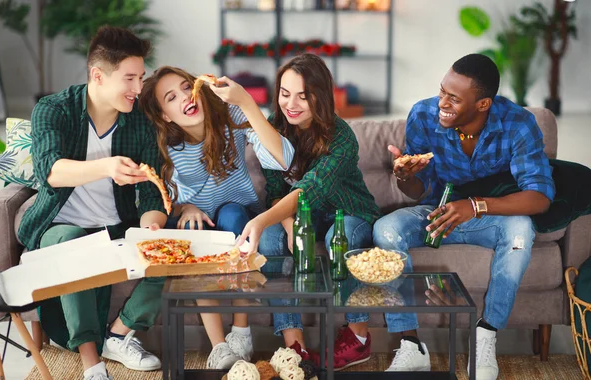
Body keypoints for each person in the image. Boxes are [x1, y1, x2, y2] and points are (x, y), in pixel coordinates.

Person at [372, 53, 555, 379]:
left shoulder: (518, 124)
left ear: (483, 104)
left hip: (488, 218)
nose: (442, 102)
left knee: (520, 230)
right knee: (385, 229)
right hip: (435, 213)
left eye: (453, 98)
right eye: (442, 91)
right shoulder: (423, 115)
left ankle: (485, 334)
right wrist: (405, 177)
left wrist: (475, 206)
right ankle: (411, 346)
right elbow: (418, 190)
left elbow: (539, 197)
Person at [17, 26, 167, 380]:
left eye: (141, 78)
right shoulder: (53, 110)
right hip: (58, 228)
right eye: (129, 78)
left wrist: (151, 226)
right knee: (75, 243)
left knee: (166, 248)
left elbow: (149, 193)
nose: (138, 89)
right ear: (97, 75)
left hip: (115, 227)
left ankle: (119, 334)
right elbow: (51, 171)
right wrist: (107, 166)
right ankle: (92, 365)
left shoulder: (140, 124)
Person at [138, 66, 294, 369]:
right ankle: (219, 346)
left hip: (236, 214)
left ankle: (241, 329)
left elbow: (284, 158)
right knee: (193, 232)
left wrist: (246, 102)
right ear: (166, 115)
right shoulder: (167, 147)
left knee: (234, 214)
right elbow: (167, 198)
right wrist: (186, 209)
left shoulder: (230, 117)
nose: (185, 97)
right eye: (172, 97)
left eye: (187, 87)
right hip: (197, 223)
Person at [235, 53, 380, 370]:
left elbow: (309, 189)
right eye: (285, 94)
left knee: (338, 240)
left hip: (347, 211)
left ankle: (358, 337)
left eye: (304, 95)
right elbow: (276, 192)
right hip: (299, 214)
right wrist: (286, 225)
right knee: (271, 239)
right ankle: (294, 344)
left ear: (321, 96)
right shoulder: (273, 129)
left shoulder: (342, 137)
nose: (292, 104)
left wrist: (260, 220)